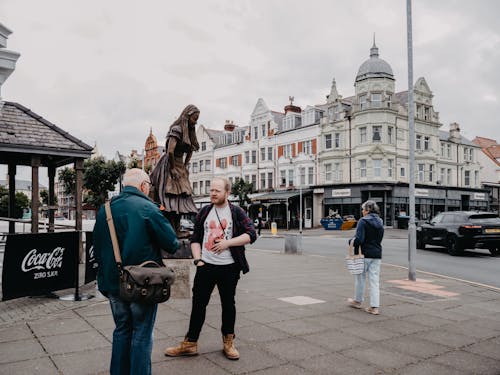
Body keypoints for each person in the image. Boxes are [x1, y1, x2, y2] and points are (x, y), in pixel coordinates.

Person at [93, 168, 179, 375]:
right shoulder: (148, 208)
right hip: (143, 283)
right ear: (143, 186)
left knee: (121, 330)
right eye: (148, 186)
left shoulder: (106, 209)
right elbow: (172, 243)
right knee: (141, 333)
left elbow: (96, 247)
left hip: (113, 283)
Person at [164, 177, 257, 360]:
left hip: (229, 267)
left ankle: (228, 342)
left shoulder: (236, 212)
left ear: (227, 193)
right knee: (198, 305)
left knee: (228, 305)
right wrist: (198, 260)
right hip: (205, 266)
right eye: (211, 190)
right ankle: (190, 343)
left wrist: (227, 243)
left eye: (217, 191)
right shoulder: (205, 211)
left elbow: (251, 234)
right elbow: (196, 238)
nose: (213, 193)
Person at [150, 104, 200, 238]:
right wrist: (173, 169)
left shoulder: (189, 132)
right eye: (194, 119)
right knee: (170, 198)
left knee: (181, 199)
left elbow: (190, 151)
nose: (195, 122)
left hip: (179, 165)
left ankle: (176, 229)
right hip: (169, 165)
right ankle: (172, 230)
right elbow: (170, 151)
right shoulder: (177, 129)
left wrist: (185, 165)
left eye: (197, 119)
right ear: (187, 116)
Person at [347, 200, 384, 315]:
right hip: (377, 254)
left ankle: (358, 301)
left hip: (364, 254)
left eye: (363, 209)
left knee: (360, 278)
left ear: (367, 210)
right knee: (374, 281)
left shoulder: (363, 221)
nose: (362, 211)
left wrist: (350, 241)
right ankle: (374, 307)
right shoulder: (380, 221)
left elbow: (359, 239)